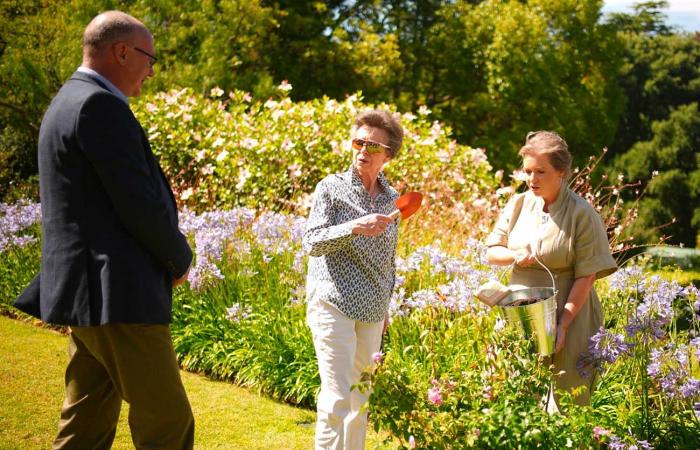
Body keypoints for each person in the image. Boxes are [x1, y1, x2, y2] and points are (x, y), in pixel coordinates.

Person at [14, 11, 195, 449]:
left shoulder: (68, 100)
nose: (151, 71)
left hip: (89, 295)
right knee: (168, 423)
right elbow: (136, 202)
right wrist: (179, 257)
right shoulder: (99, 105)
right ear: (121, 51)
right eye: (149, 59)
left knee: (86, 426)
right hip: (115, 294)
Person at [485, 131, 617, 409]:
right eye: (528, 171)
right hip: (521, 311)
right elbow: (492, 252)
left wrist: (562, 325)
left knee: (569, 402)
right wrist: (514, 255)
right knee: (516, 398)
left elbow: (587, 276)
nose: (532, 179)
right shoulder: (518, 204)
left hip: (571, 313)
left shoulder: (582, 214)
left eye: (541, 172)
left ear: (562, 172)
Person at [303, 110, 403, 449]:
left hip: (373, 311)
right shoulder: (331, 188)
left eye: (373, 146)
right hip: (334, 303)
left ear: (388, 155)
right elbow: (312, 242)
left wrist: (386, 305)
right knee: (337, 397)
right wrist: (353, 227)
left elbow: (390, 260)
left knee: (361, 398)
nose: (363, 150)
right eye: (358, 142)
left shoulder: (393, 199)